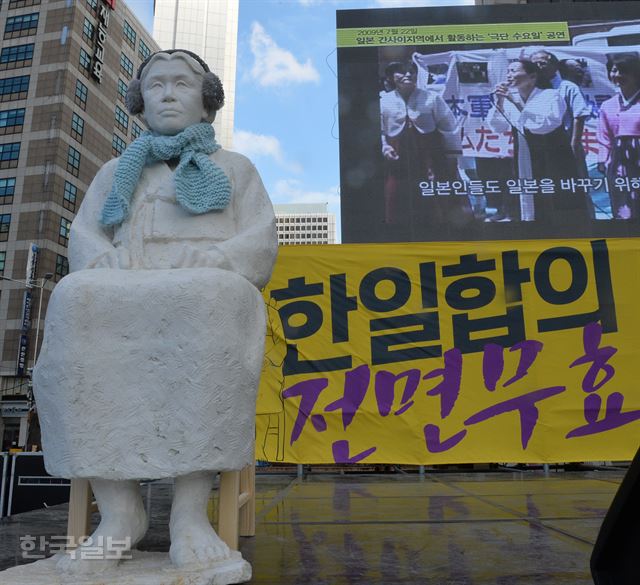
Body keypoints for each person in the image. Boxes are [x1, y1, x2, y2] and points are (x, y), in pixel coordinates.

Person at [32, 50, 277, 574]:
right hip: (126, 285)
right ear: (139, 100)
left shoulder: (236, 168)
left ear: (206, 100)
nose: (167, 92)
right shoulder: (117, 171)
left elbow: (260, 242)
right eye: (157, 84)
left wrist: (216, 258)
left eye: (182, 83)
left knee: (211, 297)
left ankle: (190, 515)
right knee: (76, 298)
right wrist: (108, 259)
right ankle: (120, 512)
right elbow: (86, 236)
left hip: (206, 286)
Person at [380, 61, 471, 237]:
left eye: (411, 71)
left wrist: (453, 156)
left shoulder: (431, 97)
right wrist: (384, 147)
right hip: (397, 155)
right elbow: (381, 130)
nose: (407, 75)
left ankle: (439, 232)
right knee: (397, 193)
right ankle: (399, 234)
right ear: (391, 77)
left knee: (435, 194)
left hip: (430, 155)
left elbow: (449, 127)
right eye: (401, 72)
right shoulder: (383, 101)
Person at [488, 59, 586, 223]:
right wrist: (500, 101)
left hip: (551, 153)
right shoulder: (511, 98)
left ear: (532, 76)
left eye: (514, 71)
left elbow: (546, 125)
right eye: (508, 71)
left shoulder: (550, 95)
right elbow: (497, 126)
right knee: (529, 197)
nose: (509, 75)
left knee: (556, 198)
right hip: (525, 154)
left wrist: (517, 103)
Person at [597, 53, 640, 219]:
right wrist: (604, 160)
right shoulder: (608, 105)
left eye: (623, 71)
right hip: (619, 162)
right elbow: (604, 137)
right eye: (614, 71)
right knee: (623, 205)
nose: (617, 76)